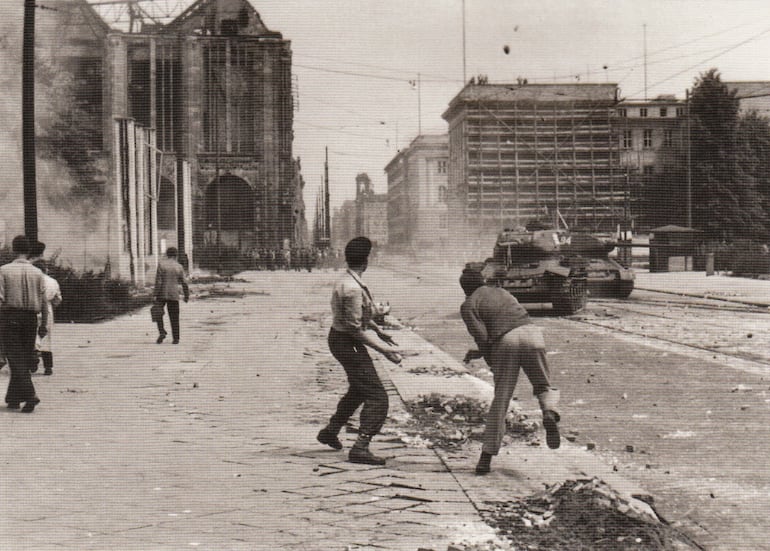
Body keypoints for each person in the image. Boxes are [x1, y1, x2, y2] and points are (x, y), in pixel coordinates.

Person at [459, 269, 561, 475]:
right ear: (483, 281)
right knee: (543, 385)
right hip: (533, 334)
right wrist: (482, 351)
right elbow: (512, 325)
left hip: (506, 342)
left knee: (502, 399)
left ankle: (486, 458)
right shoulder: (502, 292)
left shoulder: (469, 304)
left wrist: (491, 360)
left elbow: (483, 336)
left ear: (465, 289)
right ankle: (549, 412)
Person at [317, 236, 403, 465]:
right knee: (377, 396)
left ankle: (330, 431)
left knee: (358, 389)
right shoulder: (353, 288)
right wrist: (384, 349)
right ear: (366, 261)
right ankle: (361, 447)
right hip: (347, 343)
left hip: (341, 339)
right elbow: (354, 328)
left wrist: (377, 329)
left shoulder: (347, 280)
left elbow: (356, 317)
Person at [0, 236, 48, 412]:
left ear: (13, 250)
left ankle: (30, 395)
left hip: (10, 316)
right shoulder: (37, 272)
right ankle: (13, 398)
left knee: (14, 357)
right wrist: (44, 324)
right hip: (31, 318)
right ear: (28, 252)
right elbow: (44, 301)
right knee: (23, 358)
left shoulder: (3, 271)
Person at [154, 247, 189, 344]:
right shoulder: (179, 266)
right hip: (174, 294)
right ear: (176, 255)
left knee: (157, 313)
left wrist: (155, 294)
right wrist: (186, 295)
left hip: (161, 293)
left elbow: (158, 282)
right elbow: (184, 283)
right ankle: (176, 338)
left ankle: (162, 331)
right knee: (174, 316)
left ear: (167, 254)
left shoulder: (161, 264)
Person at [32, 259, 62, 376]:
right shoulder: (53, 281)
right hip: (47, 310)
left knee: (33, 336)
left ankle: (33, 360)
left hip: (33, 308)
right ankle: (48, 367)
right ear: (46, 269)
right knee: (47, 338)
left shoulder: (33, 280)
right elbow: (58, 299)